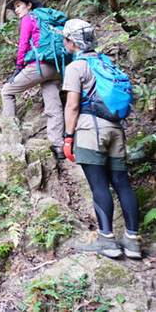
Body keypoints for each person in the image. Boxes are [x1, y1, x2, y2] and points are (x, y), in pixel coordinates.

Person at [61, 19, 142, 259]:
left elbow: (73, 106)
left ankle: (106, 240)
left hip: (90, 131)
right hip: (116, 130)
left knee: (99, 185)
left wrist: (67, 137)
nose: (64, 43)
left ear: (72, 42)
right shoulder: (106, 62)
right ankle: (133, 240)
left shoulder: (76, 67)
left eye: (65, 39)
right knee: (122, 182)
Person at [0, 0, 65, 159]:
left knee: (7, 91)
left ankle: (10, 138)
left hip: (40, 65)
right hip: (58, 66)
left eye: (19, 5)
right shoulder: (46, 18)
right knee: (53, 106)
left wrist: (18, 68)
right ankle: (58, 147)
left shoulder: (29, 19)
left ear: (29, 5)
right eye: (15, 7)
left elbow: (23, 45)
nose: (16, 10)